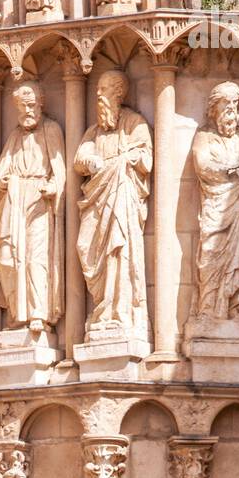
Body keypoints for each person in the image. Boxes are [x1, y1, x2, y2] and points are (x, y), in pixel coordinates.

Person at [74, 68, 152, 338]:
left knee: (119, 252)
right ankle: (101, 308)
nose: (97, 94)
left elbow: (147, 159)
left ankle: (121, 311)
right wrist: (90, 160)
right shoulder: (95, 131)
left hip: (121, 201)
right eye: (97, 89)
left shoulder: (135, 123)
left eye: (103, 89)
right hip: (98, 200)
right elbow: (80, 158)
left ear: (118, 93)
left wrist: (126, 160)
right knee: (85, 246)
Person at [0, 80, 65, 333]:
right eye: (22, 106)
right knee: (8, 258)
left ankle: (38, 313)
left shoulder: (51, 129)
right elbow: (0, 172)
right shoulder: (14, 135)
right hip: (14, 201)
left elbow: (60, 170)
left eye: (31, 105)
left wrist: (54, 187)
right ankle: (17, 311)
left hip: (38, 201)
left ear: (41, 104)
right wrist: (4, 181)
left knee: (36, 258)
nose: (27, 111)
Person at [191, 81, 239, 323]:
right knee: (209, 257)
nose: (232, 110)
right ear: (215, 108)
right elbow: (202, 166)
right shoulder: (204, 137)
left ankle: (237, 311)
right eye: (227, 104)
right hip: (216, 206)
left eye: (235, 104)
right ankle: (208, 309)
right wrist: (232, 171)